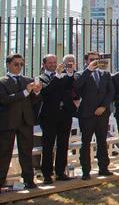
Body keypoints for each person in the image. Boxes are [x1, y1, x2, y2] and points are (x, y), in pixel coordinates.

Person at [0, 54, 42, 189]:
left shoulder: (28, 80)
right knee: (4, 153)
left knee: (26, 152)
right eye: (16, 64)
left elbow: (34, 102)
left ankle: (29, 180)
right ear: (8, 64)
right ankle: (1, 181)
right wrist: (25, 92)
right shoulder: (2, 82)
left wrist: (36, 92)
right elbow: (5, 100)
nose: (19, 67)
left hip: (25, 120)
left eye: (21, 64)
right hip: (8, 121)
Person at [74, 52, 115, 179]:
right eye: (92, 60)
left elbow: (111, 91)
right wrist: (89, 70)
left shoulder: (105, 74)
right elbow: (77, 86)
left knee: (102, 141)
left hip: (102, 113)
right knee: (85, 142)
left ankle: (103, 168)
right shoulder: (80, 74)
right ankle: (86, 171)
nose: (95, 62)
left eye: (97, 60)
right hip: (87, 114)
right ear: (86, 61)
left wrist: (103, 106)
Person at [37, 54, 77, 184]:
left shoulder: (62, 75)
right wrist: (58, 76)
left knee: (63, 144)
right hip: (49, 116)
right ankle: (47, 174)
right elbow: (47, 92)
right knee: (48, 146)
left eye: (55, 62)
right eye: (50, 62)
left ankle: (60, 172)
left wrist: (70, 73)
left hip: (64, 114)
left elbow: (70, 86)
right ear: (44, 64)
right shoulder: (40, 78)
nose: (53, 64)